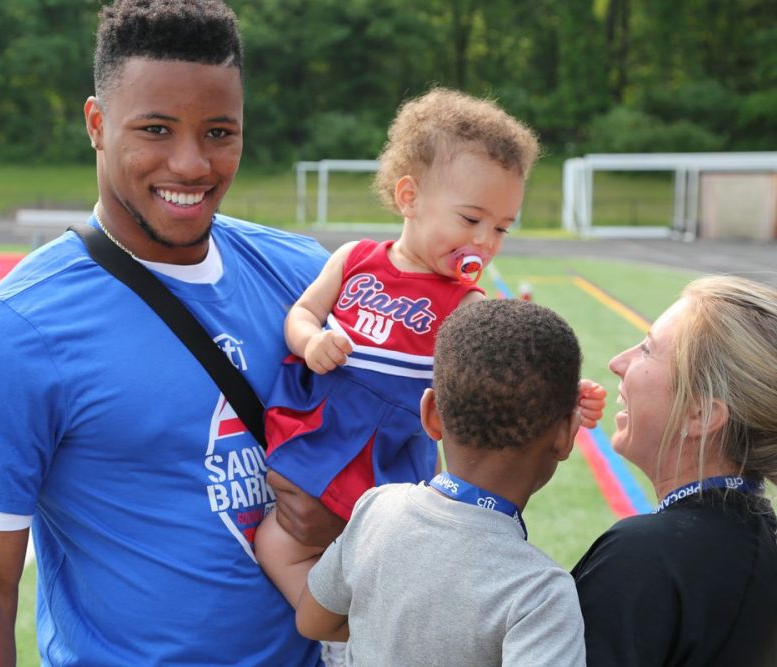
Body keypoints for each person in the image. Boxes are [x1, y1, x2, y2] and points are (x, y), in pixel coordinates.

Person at [0, 1, 329, 664]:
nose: (193, 164)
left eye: (219, 132)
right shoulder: (14, 333)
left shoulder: (307, 280)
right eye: (157, 129)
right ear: (97, 124)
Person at [255, 87, 606, 611]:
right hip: (324, 430)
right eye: (470, 220)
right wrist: (312, 342)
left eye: (501, 228)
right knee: (275, 539)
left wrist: (561, 400)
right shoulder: (355, 259)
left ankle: (350, 628)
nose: (485, 241)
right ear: (409, 198)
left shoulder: (466, 304)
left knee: (381, 563)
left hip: (390, 456)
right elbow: (301, 315)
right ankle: (322, 619)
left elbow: (510, 376)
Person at [296, 298, 588, 666]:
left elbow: (312, 620)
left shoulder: (376, 508)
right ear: (565, 435)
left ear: (431, 415)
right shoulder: (540, 594)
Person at [572, 275, 777, 667]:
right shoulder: (760, 539)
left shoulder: (645, 560)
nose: (618, 363)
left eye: (647, 349)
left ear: (700, 413)